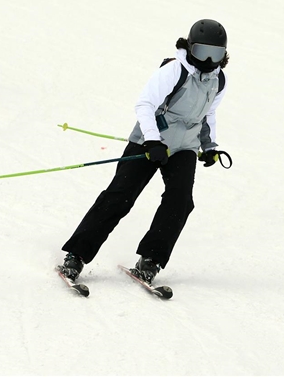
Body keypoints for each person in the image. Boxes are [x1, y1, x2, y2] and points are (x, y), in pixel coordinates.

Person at [58, 19, 230, 285]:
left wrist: (209, 146)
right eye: (202, 52)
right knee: (120, 196)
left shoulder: (218, 79)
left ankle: (151, 260)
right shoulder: (175, 70)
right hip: (150, 142)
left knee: (180, 202)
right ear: (190, 48)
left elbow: (208, 114)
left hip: (184, 147)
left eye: (215, 54)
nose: (208, 59)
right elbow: (145, 104)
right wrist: (152, 141)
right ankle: (76, 255)